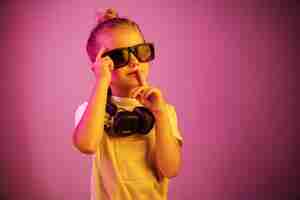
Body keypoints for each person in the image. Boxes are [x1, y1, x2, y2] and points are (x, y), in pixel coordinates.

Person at [72, 8, 183, 200]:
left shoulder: (164, 111)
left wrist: (160, 115)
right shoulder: (92, 111)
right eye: (119, 56)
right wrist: (101, 81)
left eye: (140, 51)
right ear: (100, 65)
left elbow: (171, 169)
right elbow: (87, 145)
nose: (134, 61)